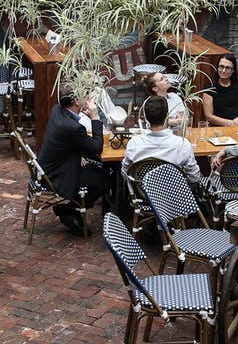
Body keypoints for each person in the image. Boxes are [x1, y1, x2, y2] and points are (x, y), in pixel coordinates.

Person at [38, 90, 111, 236]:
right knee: (104, 178)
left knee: (96, 167)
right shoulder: (73, 127)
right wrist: (95, 117)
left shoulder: (57, 110)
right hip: (58, 175)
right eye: (83, 94)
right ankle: (70, 210)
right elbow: (97, 147)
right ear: (75, 102)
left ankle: (71, 210)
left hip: (48, 167)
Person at [123, 95, 201, 185]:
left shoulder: (134, 143)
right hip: (175, 195)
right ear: (167, 116)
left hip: (143, 194)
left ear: (146, 118)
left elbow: (125, 174)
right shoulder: (182, 144)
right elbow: (194, 177)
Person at [201, 55, 238, 127]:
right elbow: (208, 116)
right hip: (220, 127)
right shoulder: (210, 88)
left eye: (227, 68)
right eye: (221, 66)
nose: (223, 71)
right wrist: (230, 123)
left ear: (233, 70)